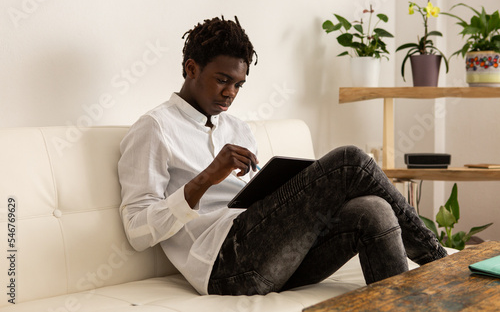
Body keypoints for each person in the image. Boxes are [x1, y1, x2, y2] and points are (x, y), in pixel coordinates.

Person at [118, 16, 447, 296]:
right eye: (223, 80)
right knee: (350, 161)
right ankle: (442, 264)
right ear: (192, 69)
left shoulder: (238, 129)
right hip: (223, 264)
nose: (230, 93)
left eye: (238, 85)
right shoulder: (154, 128)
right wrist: (206, 177)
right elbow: (136, 232)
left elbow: (255, 209)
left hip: (276, 255)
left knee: (372, 210)